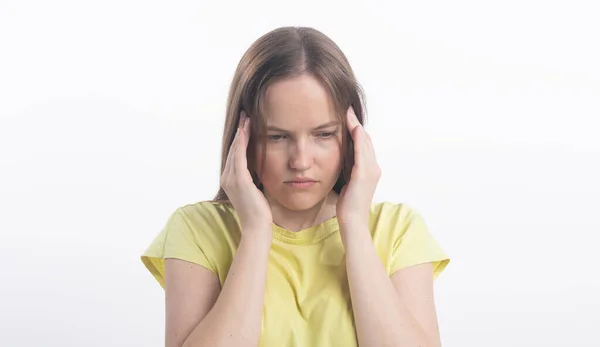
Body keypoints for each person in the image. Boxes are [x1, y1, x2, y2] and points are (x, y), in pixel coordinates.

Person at [141, 26, 450, 347]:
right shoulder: (196, 230)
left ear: (352, 135)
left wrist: (355, 225)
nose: (301, 160)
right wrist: (257, 230)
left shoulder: (398, 230)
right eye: (277, 137)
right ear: (242, 137)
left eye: (324, 134)